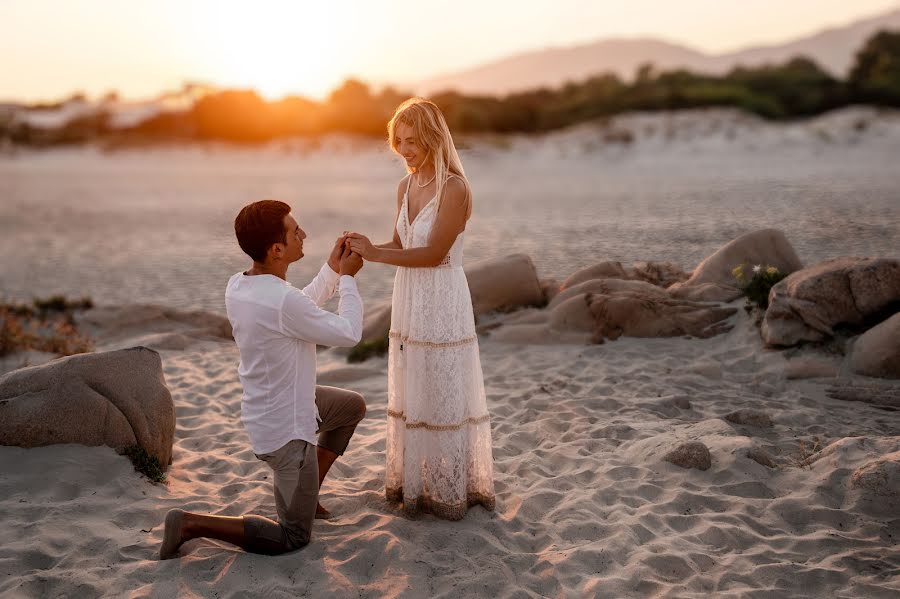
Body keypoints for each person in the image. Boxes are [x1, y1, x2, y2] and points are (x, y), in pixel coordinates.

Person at [159, 199, 366, 558]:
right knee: (293, 536)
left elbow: (294, 307)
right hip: (287, 433)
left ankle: (309, 491)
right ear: (276, 249)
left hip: (274, 407)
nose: (303, 234)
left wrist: (332, 269)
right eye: (295, 231)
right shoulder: (282, 302)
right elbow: (348, 332)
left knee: (350, 406)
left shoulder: (240, 286)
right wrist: (347, 279)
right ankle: (190, 523)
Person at [346, 98, 495, 520]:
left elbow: (431, 254)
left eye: (412, 140)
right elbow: (399, 245)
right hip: (409, 296)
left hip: (443, 296)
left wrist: (376, 255)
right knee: (416, 382)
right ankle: (418, 480)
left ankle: (453, 487)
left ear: (432, 137)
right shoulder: (406, 186)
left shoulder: (455, 188)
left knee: (444, 386)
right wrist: (364, 246)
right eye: (399, 140)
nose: (405, 149)